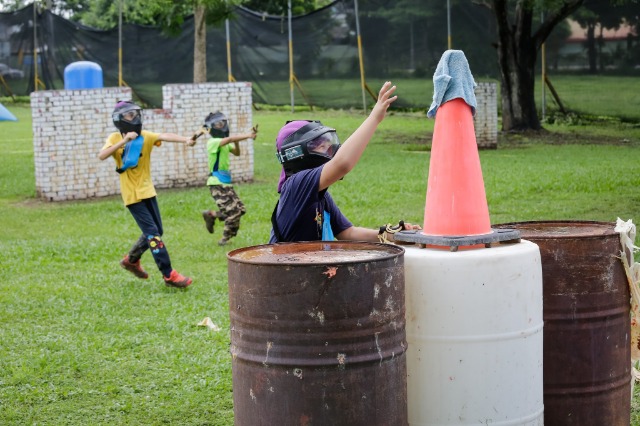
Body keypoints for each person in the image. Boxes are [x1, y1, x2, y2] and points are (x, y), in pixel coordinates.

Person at [270, 81, 420, 244]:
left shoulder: (321, 196)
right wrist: (374, 118)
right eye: (321, 147)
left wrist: (391, 235)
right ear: (298, 154)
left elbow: (347, 232)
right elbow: (342, 164)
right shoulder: (295, 186)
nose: (330, 152)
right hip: (286, 268)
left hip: (307, 266)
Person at [98, 100, 194, 288]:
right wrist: (124, 141)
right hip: (132, 196)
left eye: (136, 114)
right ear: (119, 119)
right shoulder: (114, 138)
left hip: (148, 191)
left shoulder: (145, 137)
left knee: (157, 231)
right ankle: (169, 274)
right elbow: (102, 155)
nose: (134, 118)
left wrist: (185, 140)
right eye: (129, 115)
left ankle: (131, 260)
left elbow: (164, 135)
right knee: (153, 235)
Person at [197, 111, 258, 246]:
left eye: (222, 123)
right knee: (233, 212)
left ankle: (211, 215)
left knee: (240, 209)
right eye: (218, 124)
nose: (222, 126)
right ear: (212, 128)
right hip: (216, 183)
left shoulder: (224, 143)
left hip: (225, 183)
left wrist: (236, 141)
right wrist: (248, 135)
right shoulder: (213, 142)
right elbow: (229, 140)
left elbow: (237, 152)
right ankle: (224, 240)